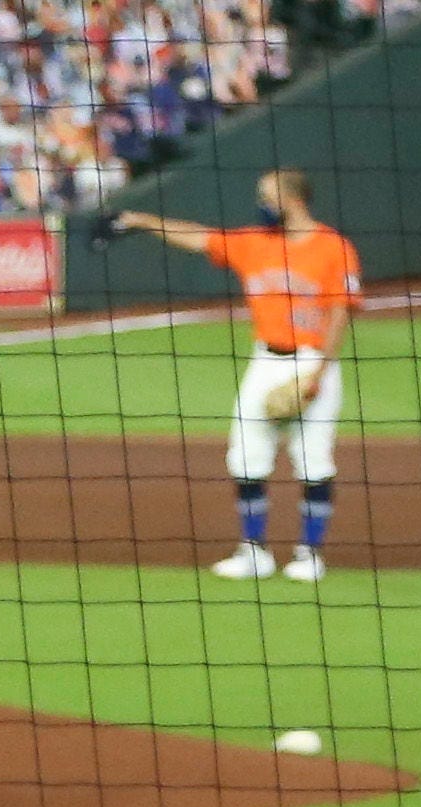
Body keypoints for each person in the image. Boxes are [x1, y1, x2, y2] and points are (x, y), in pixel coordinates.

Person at [103, 170, 360, 582]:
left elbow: (340, 314)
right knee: (245, 457)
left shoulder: (334, 248)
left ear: (292, 200)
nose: (261, 203)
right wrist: (139, 221)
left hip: (313, 363)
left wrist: (317, 376)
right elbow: (197, 236)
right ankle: (253, 552)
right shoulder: (253, 243)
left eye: (266, 196)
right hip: (265, 362)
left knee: (313, 462)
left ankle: (309, 554)